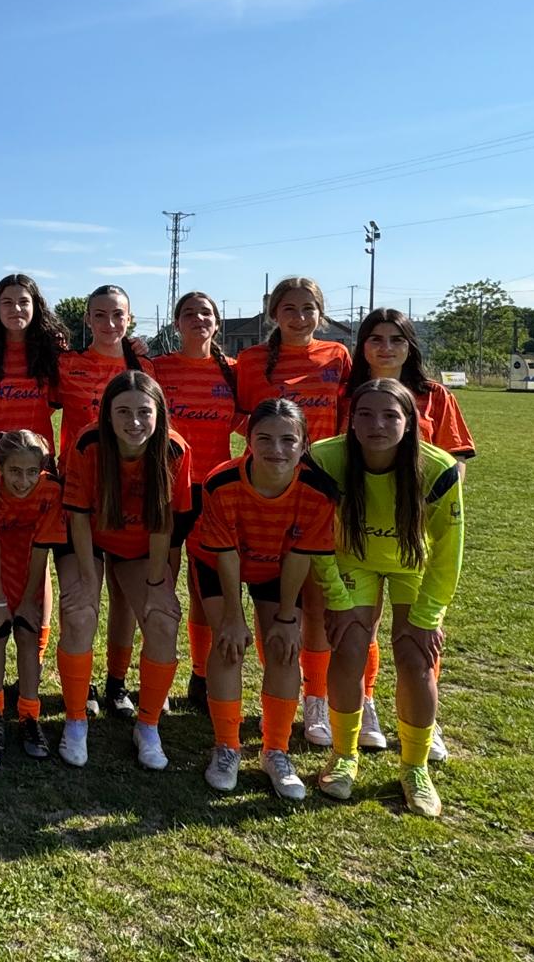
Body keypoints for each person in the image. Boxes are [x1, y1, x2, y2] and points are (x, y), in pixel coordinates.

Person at [309, 379, 463, 818]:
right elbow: (316, 537)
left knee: (415, 655)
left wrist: (429, 615)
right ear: (351, 421)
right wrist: (337, 600)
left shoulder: (438, 468)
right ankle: (343, 755)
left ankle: (414, 767)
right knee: (350, 648)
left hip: (412, 562)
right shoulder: (325, 458)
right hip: (352, 559)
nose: (378, 424)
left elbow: (449, 553)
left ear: (410, 422)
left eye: (391, 415)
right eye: (365, 415)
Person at [344, 308, 475, 762]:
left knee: (419, 631)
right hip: (357, 534)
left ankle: (424, 723)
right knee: (359, 627)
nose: (385, 347)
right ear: (362, 346)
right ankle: (367, 704)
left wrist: (426, 508)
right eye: (375, 338)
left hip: (413, 538)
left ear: (410, 346)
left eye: (396, 339)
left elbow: (455, 464)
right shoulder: (347, 393)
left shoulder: (434, 396)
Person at [195, 399, 334, 801]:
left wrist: (288, 617)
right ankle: (227, 746)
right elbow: (224, 554)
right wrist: (233, 617)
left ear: (305, 443)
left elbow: (299, 555)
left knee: (284, 647)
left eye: (288, 440)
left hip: (279, 568)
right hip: (222, 564)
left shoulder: (318, 490)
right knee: (228, 643)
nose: (276, 449)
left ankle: (276, 750)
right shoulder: (221, 482)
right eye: (265, 438)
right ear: (248, 442)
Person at [235, 276, 351, 750]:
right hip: (271, 481)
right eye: (289, 307)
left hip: (324, 484)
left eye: (308, 308)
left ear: (320, 313)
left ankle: (317, 697)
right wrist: (277, 446)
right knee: (272, 596)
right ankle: (278, 683)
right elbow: (242, 415)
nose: (299, 316)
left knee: (319, 598)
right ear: (273, 312)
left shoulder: (338, 357)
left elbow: (347, 417)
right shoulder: (250, 360)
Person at [60, 371, 193, 770]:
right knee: (80, 612)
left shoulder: (174, 450)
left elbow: (164, 524)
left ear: (159, 413)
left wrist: (156, 583)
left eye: (143, 412)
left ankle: (148, 726)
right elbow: (79, 517)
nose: (134, 422)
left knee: (163, 620)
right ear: (107, 414)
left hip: (141, 545)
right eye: (122, 412)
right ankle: (75, 720)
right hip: (88, 538)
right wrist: (86, 578)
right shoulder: (88, 443)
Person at [56, 285, 149, 720]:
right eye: (100, 315)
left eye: (118, 315)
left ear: (129, 319)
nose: (109, 324)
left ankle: (117, 683)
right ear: (87, 320)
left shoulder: (143, 366)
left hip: (131, 495)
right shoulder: (67, 365)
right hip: (78, 494)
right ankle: (86, 683)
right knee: (83, 594)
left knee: (124, 598)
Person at [149, 291, 244, 712]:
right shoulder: (159, 368)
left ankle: (201, 676)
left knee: (206, 590)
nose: (198, 319)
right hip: (169, 489)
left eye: (205, 313)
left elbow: (251, 419)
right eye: (189, 313)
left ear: (217, 323)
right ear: (176, 324)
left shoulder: (233, 372)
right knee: (163, 587)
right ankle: (159, 676)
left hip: (215, 492)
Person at [0, 430, 68, 760]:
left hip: (30, 574)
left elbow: (43, 545)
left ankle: (29, 716)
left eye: (30, 472)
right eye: (14, 471)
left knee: (27, 636)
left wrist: (27, 600)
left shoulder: (51, 489)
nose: (23, 481)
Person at [0, 274, 67, 465]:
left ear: (35, 306)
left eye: (24, 302)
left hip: (38, 454)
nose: (16, 309)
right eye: (7, 302)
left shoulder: (52, 349)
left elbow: (56, 402)